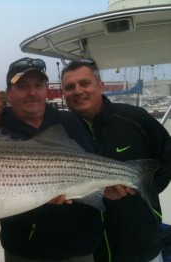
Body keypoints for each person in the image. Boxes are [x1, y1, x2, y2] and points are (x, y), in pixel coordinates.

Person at [0, 57, 104, 262]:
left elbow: (92, 162)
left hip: (81, 245)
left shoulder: (68, 121)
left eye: (38, 85)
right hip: (25, 250)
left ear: (46, 89)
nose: (32, 92)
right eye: (22, 86)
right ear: (9, 94)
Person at [61, 60, 171, 262]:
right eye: (70, 87)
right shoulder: (62, 131)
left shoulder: (135, 118)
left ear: (100, 86)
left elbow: (167, 158)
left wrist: (143, 192)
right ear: (64, 94)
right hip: (88, 251)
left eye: (85, 83)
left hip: (139, 244)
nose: (77, 91)